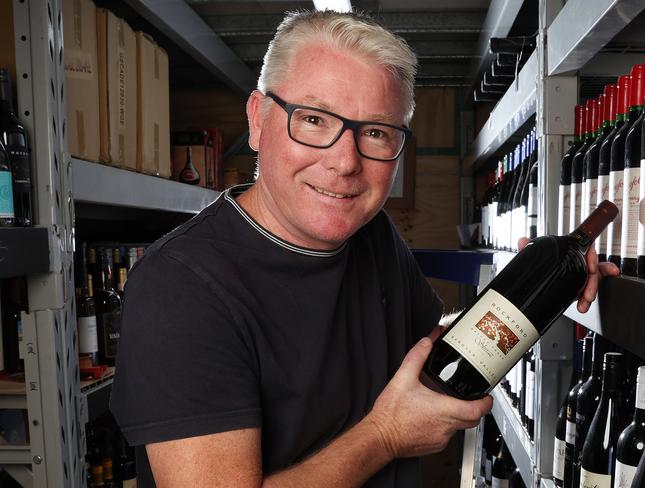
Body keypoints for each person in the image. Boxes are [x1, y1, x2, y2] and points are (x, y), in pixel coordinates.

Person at [110, 9, 617, 488]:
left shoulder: (369, 234)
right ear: (258, 118)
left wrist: (530, 294)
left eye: (375, 132)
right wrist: (386, 435)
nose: (344, 162)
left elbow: (437, 350)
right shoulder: (181, 289)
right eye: (314, 120)